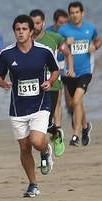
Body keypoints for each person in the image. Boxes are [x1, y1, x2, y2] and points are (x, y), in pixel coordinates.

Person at [0, 14, 60, 196]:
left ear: (31, 31)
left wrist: (50, 82)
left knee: (36, 140)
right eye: (18, 29)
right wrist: (3, 83)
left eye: (24, 29)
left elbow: (55, 70)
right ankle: (33, 184)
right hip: (18, 108)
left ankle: (46, 150)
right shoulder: (7, 54)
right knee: (24, 148)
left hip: (40, 105)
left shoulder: (43, 51)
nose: (21, 32)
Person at [57, 1, 101, 147]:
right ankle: (85, 126)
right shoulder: (63, 30)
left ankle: (75, 135)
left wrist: (95, 46)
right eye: (72, 13)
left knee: (76, 100)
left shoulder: (90, 28)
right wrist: (64, 42)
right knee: (73, 104)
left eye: (77, 12)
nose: (74, 15)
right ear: (69, 14)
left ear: (83, 13)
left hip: (85, 71)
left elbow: (98, 39)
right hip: (69, 73)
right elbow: (58, 48)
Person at [31, 9, 67, 157]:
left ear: (43, 23)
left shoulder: (55, 38)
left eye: (38, 23)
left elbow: (67, 53)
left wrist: (70, 68)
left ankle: (56, 135)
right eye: (32, 23)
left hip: (53, 85)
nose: (35, 26)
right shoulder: (26, 40)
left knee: (45, 122)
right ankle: (45, 152)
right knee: (35, 122)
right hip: (34, 86)